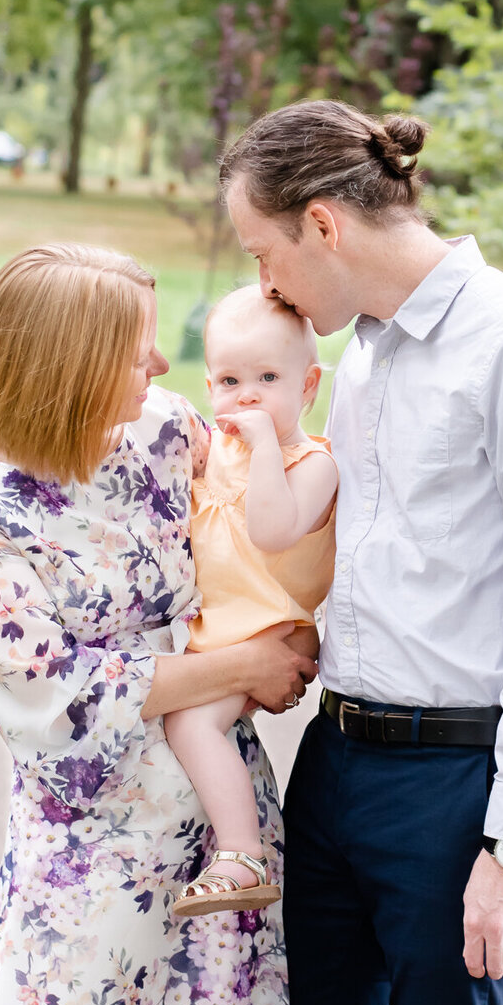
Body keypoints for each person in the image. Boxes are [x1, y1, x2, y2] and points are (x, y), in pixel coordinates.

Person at [219, 101, 503, 1005]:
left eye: (264, 252)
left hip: (464, 788)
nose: (265, 285)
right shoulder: (361, 356)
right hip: (339, 765)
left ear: (322, 225)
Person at [0, 243, 315, 1005]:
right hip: (92, 850)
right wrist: (242, 668)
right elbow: (59, 696)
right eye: (139, 345)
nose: (164, 365)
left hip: (220, 831)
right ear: (73, 361)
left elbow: (262, 529)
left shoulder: (171, 432)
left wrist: (289, 624)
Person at [166, 286, 338, 917]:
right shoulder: (218, 450)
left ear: (308, 385)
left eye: (268, 377)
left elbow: (270, 530)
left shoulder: (311, 463)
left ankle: (241, 854)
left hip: (263, 630)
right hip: (214, 628)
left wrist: (266, 447)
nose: (248, 395)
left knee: (192, 722)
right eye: (231, 380)